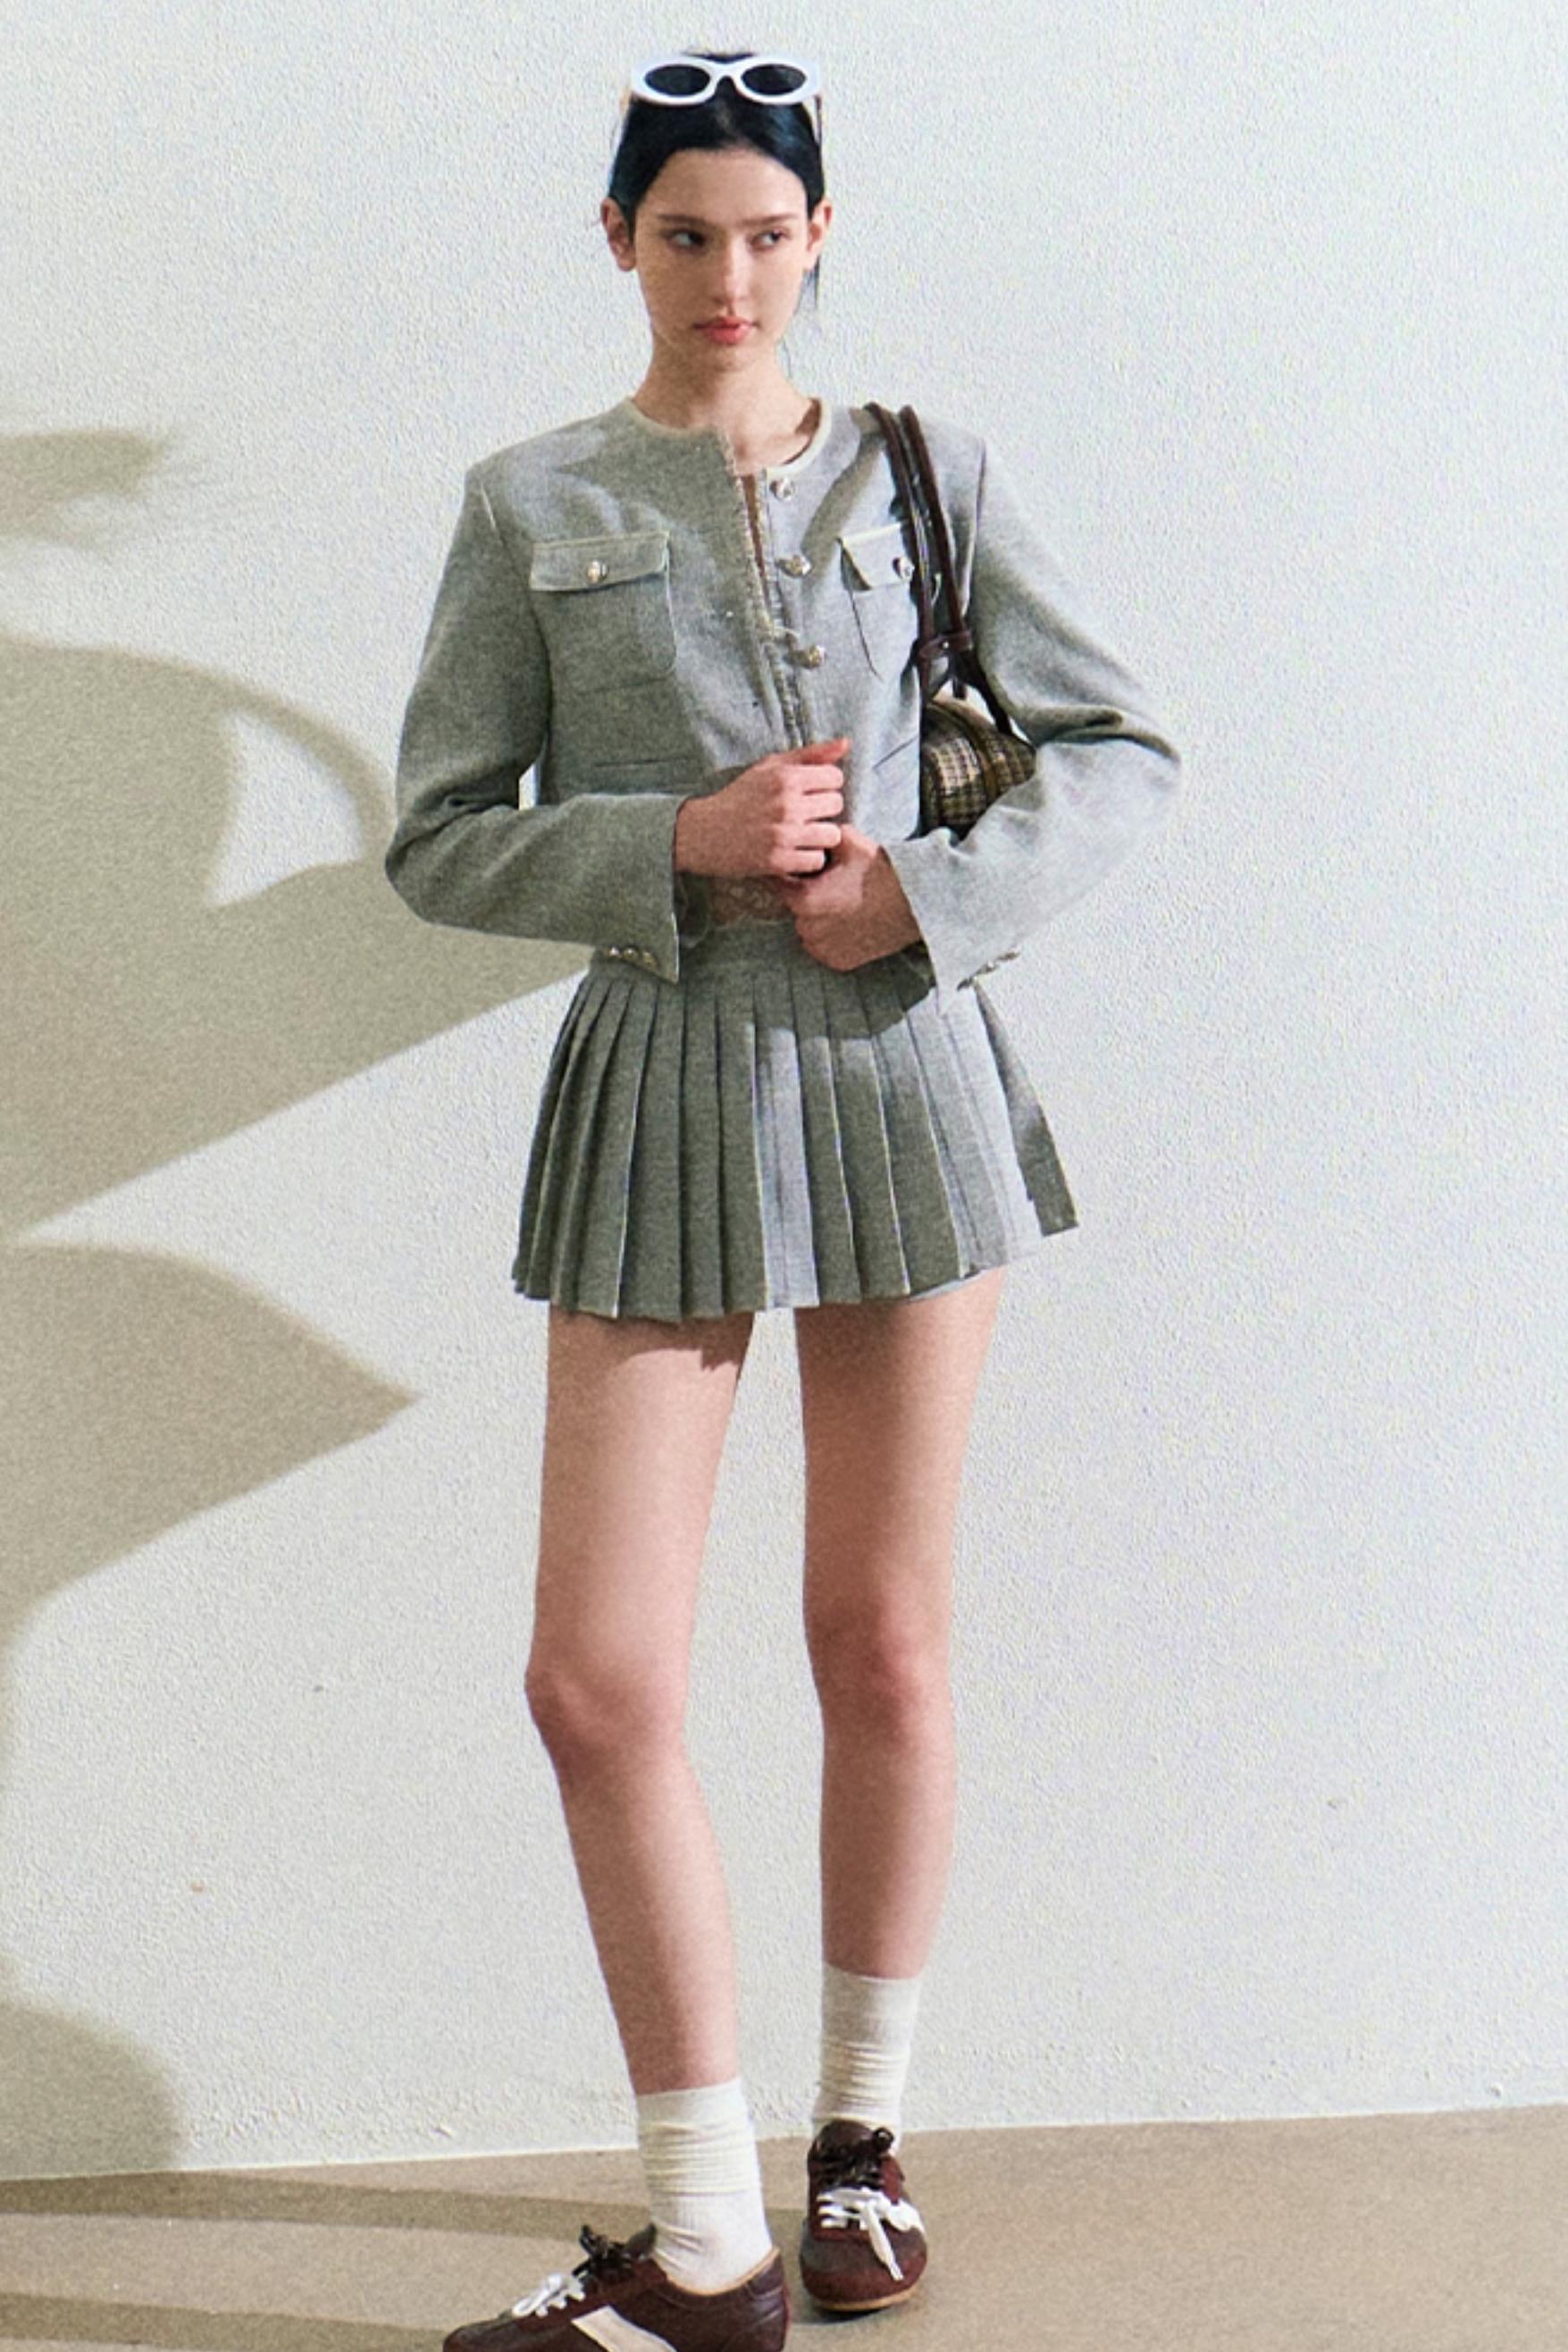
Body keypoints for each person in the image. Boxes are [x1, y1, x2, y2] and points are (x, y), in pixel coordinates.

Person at [385, 47, 1180, 2352]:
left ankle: (858, 2148)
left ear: (819, 235)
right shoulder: (530, 499)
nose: (728, 277)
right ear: (617, 240)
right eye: (683, 235)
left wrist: (921, 891)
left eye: (765, 234)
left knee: (882, 1640)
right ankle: (700, 2235)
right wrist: (674, 842)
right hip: (658, 1084)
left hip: (901, 1074)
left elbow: (1122, 748)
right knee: (597, 1678)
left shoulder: (930, 471)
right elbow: (438, 837)